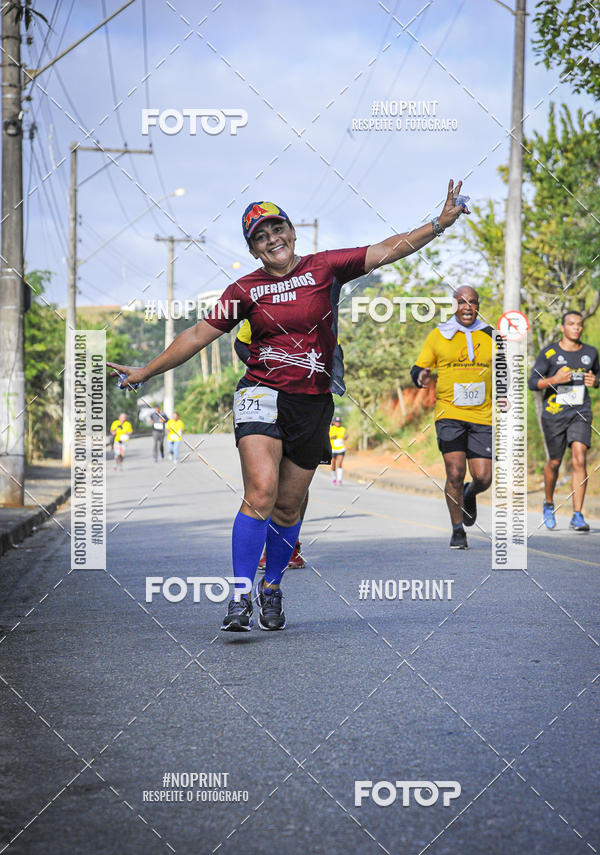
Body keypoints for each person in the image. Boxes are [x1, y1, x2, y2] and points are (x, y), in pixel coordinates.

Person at [109, 184, 467, 632]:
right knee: (261, 493)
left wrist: (438, 224)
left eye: (277, 228)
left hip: (312, 402)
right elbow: (197, 335)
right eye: (260, 236)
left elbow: (386, 251)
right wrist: (147, 370)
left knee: (288, 507)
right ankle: (239, 597)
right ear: (254, 249)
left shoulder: (326, 267)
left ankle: (271, 587)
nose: (271, 238)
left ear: (292, 231)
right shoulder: (245, 288)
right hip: (260, 393)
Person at [411, 286, 493, 550]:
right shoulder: (439, 335)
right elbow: (419, 366)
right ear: (454, 305)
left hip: (483, 414)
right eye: (462, 302)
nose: (467, 307)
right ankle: (458, 530)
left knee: (483, 478)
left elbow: (505, 370)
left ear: (478, 306)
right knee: (455, 472)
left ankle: (470, 493)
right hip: (449, 413)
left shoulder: (493, 335)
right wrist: (420, 376)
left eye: (472, 302)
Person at [236, 319, 306, 569]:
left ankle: (291, 545)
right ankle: (242, 592)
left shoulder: (320, 295)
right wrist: (265, 370)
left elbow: (331, 350)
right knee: (263, 485)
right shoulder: (261, 294)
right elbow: (241, 342)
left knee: (294, 484)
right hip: (261, 392)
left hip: (307, 399)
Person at [528, 310, 599, 531]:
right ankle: (548, 503)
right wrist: (554, 380)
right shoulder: (549, 353)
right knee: (555, 462)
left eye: (579, 324)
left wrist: (595, 381)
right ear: (562, 328)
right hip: (554, 414)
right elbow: (533, 383)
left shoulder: (591, 352)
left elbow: (598, 377)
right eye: (571, 324)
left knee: (579, 458)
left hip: (580, 411)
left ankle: (577, 515)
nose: (576, 328)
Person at [329, 415, 347, 485]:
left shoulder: (343, 429)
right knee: (333, 465)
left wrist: (346, 437)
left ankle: (339, 479)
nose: (338, 423)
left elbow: (345, 436)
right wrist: (332, 437)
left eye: (339, 422)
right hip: (333, 449)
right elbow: (327, 437)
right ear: (333, 422)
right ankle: (334, 478)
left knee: (339, 463)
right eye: (337, 422)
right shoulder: (331, 429)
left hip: (341, 449)